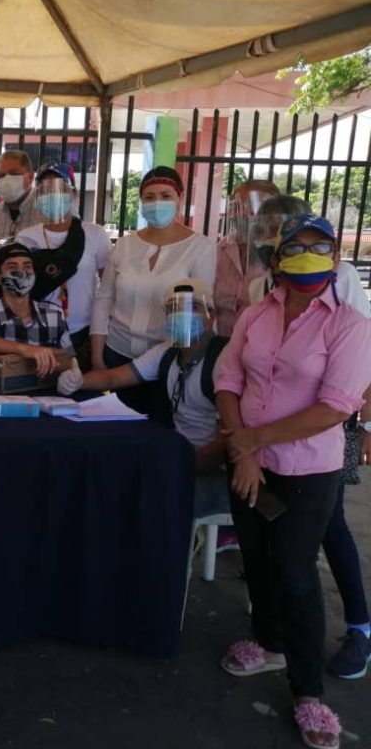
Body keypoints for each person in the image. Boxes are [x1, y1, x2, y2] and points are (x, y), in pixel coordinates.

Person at [215, 214, 371, 749]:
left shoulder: (349, 325)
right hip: (248, 459)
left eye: (318, 245)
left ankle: (308, 692)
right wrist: (244, 450)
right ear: (277, 259)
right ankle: (268, 644)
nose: (307, 254)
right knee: (256, 559)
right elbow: (228, 378)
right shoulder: (256, 313)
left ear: (335, 258)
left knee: (295, 573)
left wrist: (250, 442)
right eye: (295, 246)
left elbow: (336, 406)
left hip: (307, 469)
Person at [246, 201, 371, 682]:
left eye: (314, 245)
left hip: (327, 431)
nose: (301, 253)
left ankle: (358, 627)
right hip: (266, 437)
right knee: (283, 539)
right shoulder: (263, 289)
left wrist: (365, 426)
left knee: (329, 526)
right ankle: (273, 635)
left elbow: (359, 363)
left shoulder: (344, 284)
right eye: (274, 233)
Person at [58, 279, 230, 517]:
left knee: (149, 498)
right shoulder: (168, 352)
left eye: (193, 307)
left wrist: (181, 466)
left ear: (212, 315)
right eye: (174, 308)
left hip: (217, 470)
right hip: (177, 454)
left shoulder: (224, 359)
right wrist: (79, 381)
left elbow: (226, 440)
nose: (182, 315)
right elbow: (114, 378)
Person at [90, 166, 215, 411]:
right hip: (117, 351)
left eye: (166, 195)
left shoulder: (200, 248)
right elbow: (104, 300)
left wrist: (182, 360)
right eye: (149, 197)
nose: (157, 202)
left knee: (158, 425)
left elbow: (199, 311)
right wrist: (97, 355)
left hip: (167, 360)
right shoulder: (124, 245)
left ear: (180, 198)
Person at [16, 161, 110, 353]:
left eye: (59, 189)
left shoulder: (95, 234)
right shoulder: (26, 238)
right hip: (39, 332)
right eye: (45, 191)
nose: (52, 196)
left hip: (83, 331)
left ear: (73, 194)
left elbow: (108, 288)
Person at [0, 242, 73, 376]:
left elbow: (68, 358)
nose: (21, 272)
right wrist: (25, 350)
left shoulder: (54, 314)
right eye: (12, 266)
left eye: (27, 266)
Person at [214, 179, 279, 336]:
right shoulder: (221, 249)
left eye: (256, 204)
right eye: (239, 205)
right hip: (220, 338)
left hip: (262, 339)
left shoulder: (279, 251)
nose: (246, 212)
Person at [0, 150, 35, 256]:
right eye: (1, 176)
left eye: (14, 174)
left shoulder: (45, 212)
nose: (6, 180)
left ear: (30, 177)